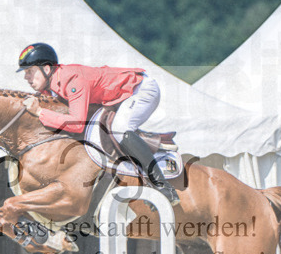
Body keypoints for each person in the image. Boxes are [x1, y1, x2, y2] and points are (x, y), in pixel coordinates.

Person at [15, 42, 179, 205]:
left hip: (140, 90)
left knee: (119, 130)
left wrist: (40, 112)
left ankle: (162, 186)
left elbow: (77, 123)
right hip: (121, 98)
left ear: (47, 69)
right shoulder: (52, 85)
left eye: (30, 71)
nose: (26, 77)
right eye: (25, 72)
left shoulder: (71, 79)